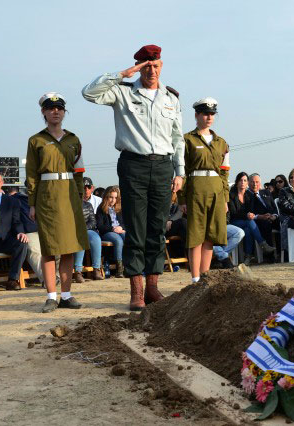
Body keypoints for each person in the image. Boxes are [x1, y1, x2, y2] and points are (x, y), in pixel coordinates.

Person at [82, 44, 184, 311]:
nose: (152, 70)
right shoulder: (123, 92)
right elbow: (88, 93)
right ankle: (136, 289)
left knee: (157, 227)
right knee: (136, 227)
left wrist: (180, 171)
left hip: (163, 166)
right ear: (139, 67)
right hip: (133, 165)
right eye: (146, 65)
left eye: (156, 65)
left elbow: (177, 138)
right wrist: (121, 74)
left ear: (162, 66)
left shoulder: (171, 97)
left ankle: (152, 286)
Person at [26, 93, 89, 313]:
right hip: (47, 197)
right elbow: (31, 174)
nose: (55, 111)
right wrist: (32, 203)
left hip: (70, 195)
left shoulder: (74, 139)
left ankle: (67, 295)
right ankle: (51, 296)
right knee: (49, 248)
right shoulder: (36, 141)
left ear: (64, 112)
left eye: (59, 108)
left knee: (69, 247)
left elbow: (80, 171)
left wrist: (80, 195)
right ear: (43, 112)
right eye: (50, 108)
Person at [177, 98, 230, 283]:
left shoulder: (221, 142)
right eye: (205, 114)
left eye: (212, 114)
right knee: (195, 236)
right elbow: (180, 171)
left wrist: (225, 199)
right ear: (196, 115)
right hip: (195, 188)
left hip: (216, 189)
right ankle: (195, 279)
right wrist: (181, 199)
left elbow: (225, 173)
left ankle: (205, 277)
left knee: (210, 236)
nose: (209, 117)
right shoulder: (187, 139)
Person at [229, 172, 275, 265]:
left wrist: (250, 215)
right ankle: (263, 244)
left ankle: (248, 256)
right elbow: (233, 213)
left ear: (247, 183)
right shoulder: (232, 195)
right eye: (240, 180)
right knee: (249, 222)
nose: (242, 182)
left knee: (248, 230)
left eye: (244, 180)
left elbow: (251, 211)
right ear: (237, 182)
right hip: (234, 222)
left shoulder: (249, 195)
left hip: (246, 222)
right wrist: (246, 215)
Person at [8, 187, 45, 285]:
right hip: (29, 232)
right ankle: (46, 278)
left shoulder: (45, 197)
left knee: (59, 249)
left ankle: (57, 276)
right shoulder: (17, 199)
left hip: (46, 231)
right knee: (34, 250)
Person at [96, 186, 126, 278]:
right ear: (106, 197)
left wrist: (121, 227)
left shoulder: (119, 208)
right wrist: (113, 229)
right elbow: (100, 226)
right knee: (118, 240)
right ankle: (119, 269)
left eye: (115, 197)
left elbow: (125, 222)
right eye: (111, 197)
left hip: (119, 231)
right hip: (107, 232)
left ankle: (128, 265)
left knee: (128, 238)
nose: (113, 200)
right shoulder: (101, 209)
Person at [73, 198, 104, 283]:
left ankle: (96, 269)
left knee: (96, 239)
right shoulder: (68, 204)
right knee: (81, 238)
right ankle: (78, 272)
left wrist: (84, 228)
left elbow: (93, 221)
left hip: (88, 229)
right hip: (74, 230)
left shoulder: (88, 205)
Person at [249, 173, 278, 249]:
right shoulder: (246, 196)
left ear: (260, 183)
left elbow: (275, 208)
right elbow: (249, 213)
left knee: (285, 224)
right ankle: (269, 255)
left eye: (257, 182)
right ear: (248, 183)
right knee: (266, 224)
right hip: (259, 220)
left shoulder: (266, 192)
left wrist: (274, 216)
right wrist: (261, 217)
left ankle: (283, 253)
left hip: (272, 218)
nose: (255, 184)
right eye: (252, 182)